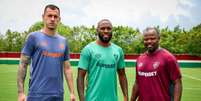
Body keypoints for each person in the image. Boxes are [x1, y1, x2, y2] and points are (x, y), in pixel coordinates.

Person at [17, 4, 76, 101]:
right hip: (37, 94)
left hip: (58, 95)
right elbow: (23, 64)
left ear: (59, 19)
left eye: (55, 16)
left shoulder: (63, 41)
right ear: (43, 17)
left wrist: (72, 93)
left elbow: (67, 68)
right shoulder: (33, 37)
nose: (52, 19)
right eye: (49, 16)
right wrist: (20, 93)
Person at [77, 19, 128, 101]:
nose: (106, 31)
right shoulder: (88, 49)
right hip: (92, 98)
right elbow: (80, 76)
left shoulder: (118, 50)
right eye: (103, 28)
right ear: (97, 30)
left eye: (109, 28)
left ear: (112, 30)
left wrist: (126, 96)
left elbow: (122, 75)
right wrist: (82, 99)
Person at [130, 27, 182, 101]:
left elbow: (177, 83)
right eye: (146, 39)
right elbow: (137, 83)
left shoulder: (168, 57)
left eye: (152, 38)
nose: (149, 41)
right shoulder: (140, 59)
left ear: (159, 39)